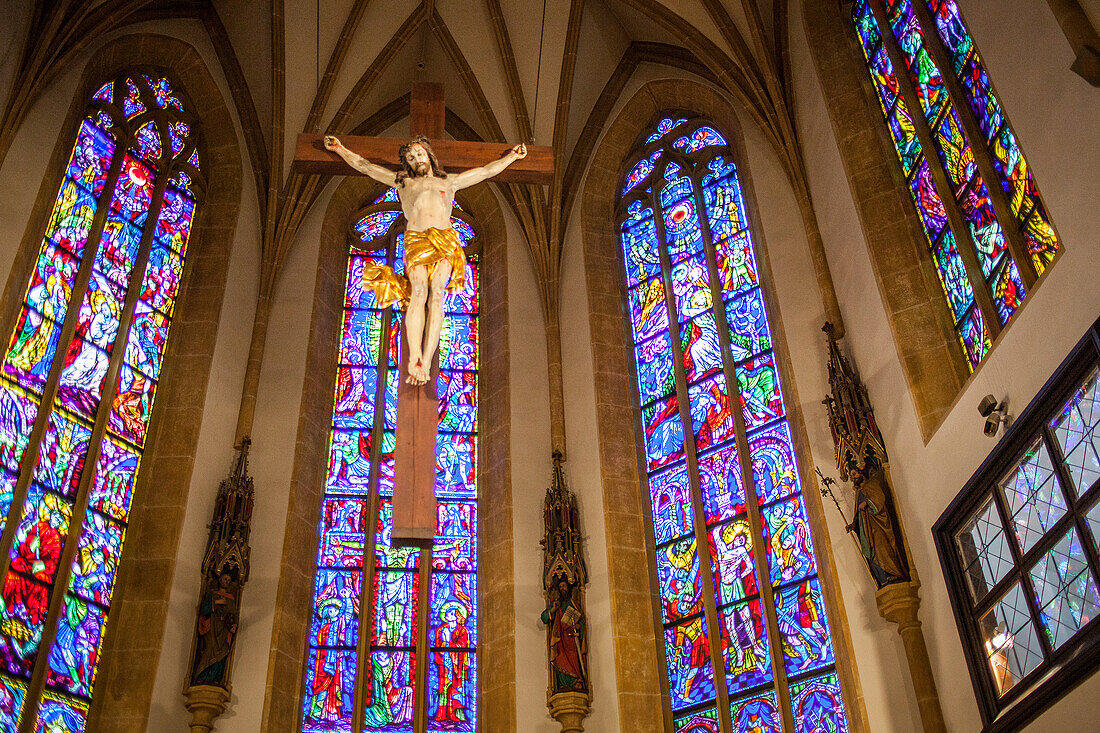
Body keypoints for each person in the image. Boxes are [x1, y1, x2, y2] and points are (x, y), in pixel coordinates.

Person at [324, 134, 526, 385]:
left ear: (428, 155)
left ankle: (427, 361)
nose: (416, 159)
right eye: (410, 157)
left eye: (419, 154)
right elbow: (366, 167)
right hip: (416, 240)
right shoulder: (403, 183)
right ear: (407, 163)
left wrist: (512, 157)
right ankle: (413, 357)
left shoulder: (449, 182)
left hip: (445, 240)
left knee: (438, 293)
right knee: (419, 291)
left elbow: (485, 171)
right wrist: (340, 149)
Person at [191, 571, 239, 686]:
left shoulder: (231, 599)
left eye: (228, 580)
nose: (226, 582)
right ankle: (203, 676)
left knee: (223, 651)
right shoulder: (212, 595)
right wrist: (216, 602)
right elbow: (204, 609)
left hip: (223, 629)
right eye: (224, 579)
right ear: (220, 580)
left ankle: (216, 678)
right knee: (210, 648)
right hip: (212, 627)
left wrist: (234, 626)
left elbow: (233, 616)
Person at [541, 579, 588, 693]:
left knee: (573, 659)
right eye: (561, 586)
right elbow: (544, 618)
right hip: (559, 638)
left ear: (568, 588)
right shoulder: (556, 604)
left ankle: (576, 681)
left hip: (571, 638)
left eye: (564, 586)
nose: (563, 588)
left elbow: (581, 621)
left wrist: (578, 626)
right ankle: (563, 685)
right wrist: (553, 609)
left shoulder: (574, 604)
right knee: (560, 658)